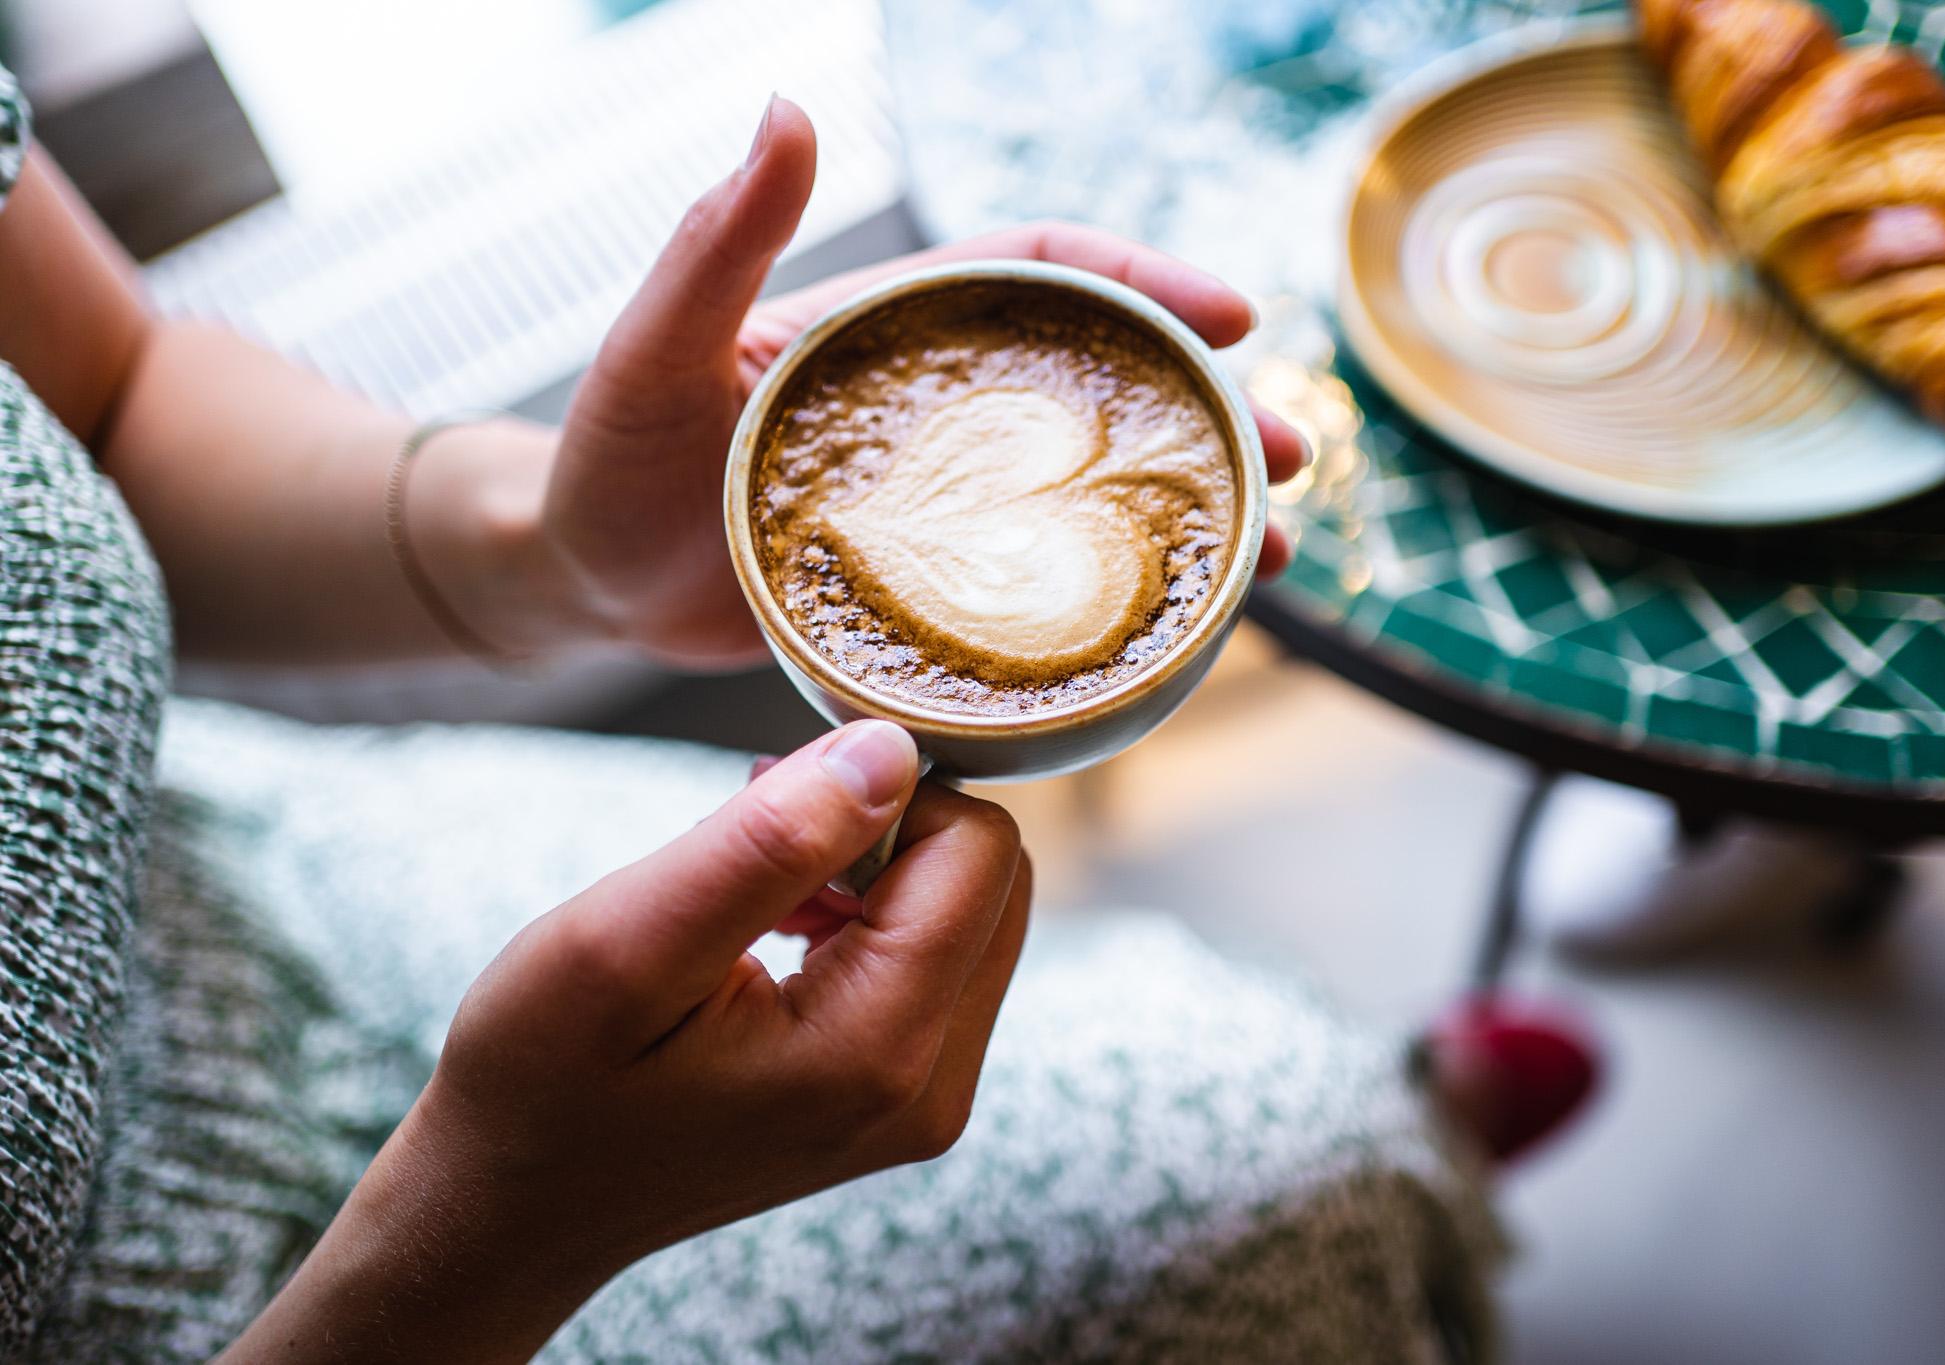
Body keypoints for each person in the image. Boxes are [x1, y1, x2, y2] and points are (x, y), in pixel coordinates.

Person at [1, 78, 1507, 1361]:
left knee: (1264, 1139)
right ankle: (1402, 1129)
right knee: (1267, 1176)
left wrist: (556, 546)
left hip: (247, 889)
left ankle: (1391, 1123)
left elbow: (111, 395)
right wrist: (501, 1233)